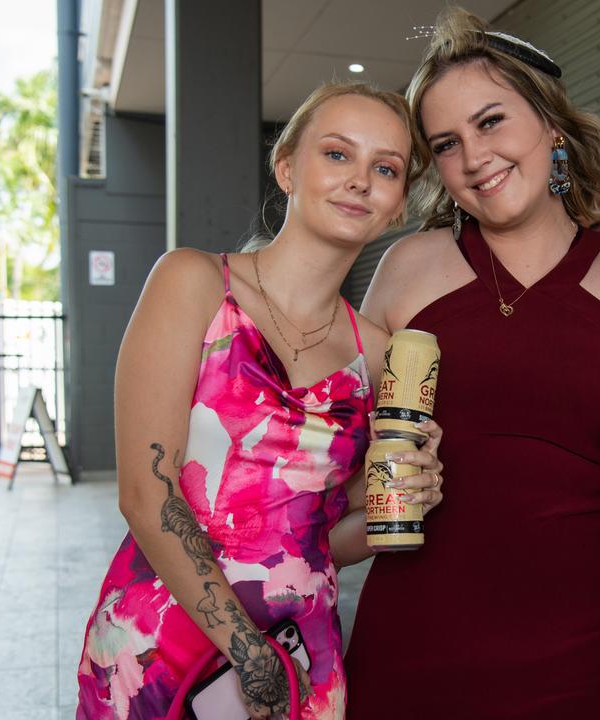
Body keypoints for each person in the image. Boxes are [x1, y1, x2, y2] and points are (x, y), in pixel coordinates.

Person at [75, 83, 445, 720]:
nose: (359, 180)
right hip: (160, 650)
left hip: (303, 652)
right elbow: (144, 493)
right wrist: (250, 656)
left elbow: (320, 539)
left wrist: (404, 499)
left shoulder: (383, 358)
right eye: (336, 154)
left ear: (397, 205)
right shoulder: (191, 283)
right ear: (286, 168)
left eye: (384, 168)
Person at [341, 7, 600, 719]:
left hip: (591, 645)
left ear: (551, 125)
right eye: (447, 143)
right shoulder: (408, 267)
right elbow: (330, 450)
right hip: (418, 640)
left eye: (492, 122)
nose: (474, 157)